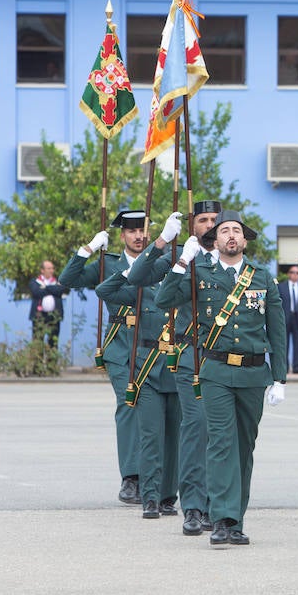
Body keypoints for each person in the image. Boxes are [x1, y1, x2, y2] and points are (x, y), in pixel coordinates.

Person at [156, 210, 287, 546]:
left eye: (237, 231)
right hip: (213, 371)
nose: (231, 235)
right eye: (225, 231)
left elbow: (278, 329)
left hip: (254, 372)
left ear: (245, 240)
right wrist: (182, 262)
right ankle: (222, 518)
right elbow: (164, 299)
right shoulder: (200, 272)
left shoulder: (262, 278)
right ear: (215, 240)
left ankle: (236, 519)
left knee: (244, 448)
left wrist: (280, 378)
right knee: (220, 443)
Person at [126, 199, 221, 536]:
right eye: (203, 220)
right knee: (195, 430)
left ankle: (217, 505)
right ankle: (194, 507)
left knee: (217, 435)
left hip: (225, 360)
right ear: (192, 226)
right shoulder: (180, 258)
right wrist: (165, 241)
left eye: (215, 221)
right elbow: (137, 276)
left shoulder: (232, 262)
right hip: (192, 358)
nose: (209, 226)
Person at [60, 208, 150, 505]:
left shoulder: (161, 261)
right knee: (129, 405)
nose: (139, 236)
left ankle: (158, 476)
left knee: (158, 410)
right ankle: (131, 477)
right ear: (123, 235)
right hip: (122, 345)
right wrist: (87, 249)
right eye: (133, 231)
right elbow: (68, 279)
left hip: (154, 346)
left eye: (143, 230)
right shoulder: (108, 264)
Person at [97, 225, 183, 521]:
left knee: (174, 436)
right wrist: (139, 265)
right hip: (147, 367)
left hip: (177, 365)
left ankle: (168, 496)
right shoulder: (141, 285)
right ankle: (149, 496)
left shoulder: (185, 286)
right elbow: (104, 290)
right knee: (150, 434)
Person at [278, 265, 298, 374]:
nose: (295, 275)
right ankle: (285, 367)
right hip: (285, 318)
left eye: (297, 273)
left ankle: (296, 367)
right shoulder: (281, 287)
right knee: (284, 344)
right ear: (289, 274)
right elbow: (277, 305)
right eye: (292, 272)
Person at [28, 259, 67, 350]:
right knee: (37, 342)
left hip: (54, 316)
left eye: (52, 268)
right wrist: (53, 289)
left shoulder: (58, 281)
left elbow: (60, 290)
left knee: (53, 342)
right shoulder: (35, 281)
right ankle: (37, 364)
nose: (51, 270)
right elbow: (36, 292)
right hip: (39, 316)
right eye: (49, 268)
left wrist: (45, 287)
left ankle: (52, 364)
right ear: (42, 270)